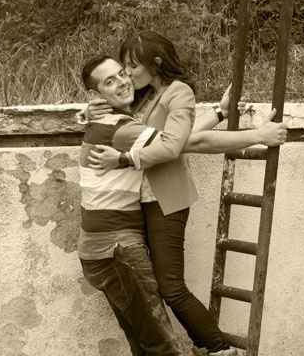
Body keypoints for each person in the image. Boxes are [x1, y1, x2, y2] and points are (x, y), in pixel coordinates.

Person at [85, 32, 281, 356]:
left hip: (166, 204)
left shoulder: (179, 93)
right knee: (150, 290)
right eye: (124, 67)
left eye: (132, 66)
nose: (127, 73)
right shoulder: (147, 99)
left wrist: (257, 135)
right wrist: (219, 113)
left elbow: (185, 144)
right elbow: (183, 138)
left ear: (155, 63)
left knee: (171, 288)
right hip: (141, 205)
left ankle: (219, 349)